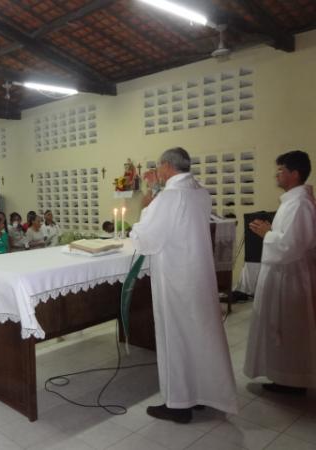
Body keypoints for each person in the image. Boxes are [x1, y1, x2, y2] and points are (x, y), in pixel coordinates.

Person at [129, 147, 237, 423]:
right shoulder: (200, 193)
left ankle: (178, 404)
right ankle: (201, 394)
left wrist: (147, 204)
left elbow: (147, 237)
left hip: (176, 279)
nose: (159, 172)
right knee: (198, 335)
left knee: (176, 336)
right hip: (198, 275)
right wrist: (156, 192)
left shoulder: (169, 197)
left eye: (159, 167)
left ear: (167, 166)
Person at [244, 150, 316, 394]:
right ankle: (283, 377)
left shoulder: (301, 204)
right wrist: (270, 233)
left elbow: (293, 246)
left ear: (294, 174)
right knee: (280, 331)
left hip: (292, 278)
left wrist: (268, 234)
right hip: (282, 275)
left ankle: (295, 381)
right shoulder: (291, 202)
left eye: (281, 169)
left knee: (290, 331)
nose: (277, 174)